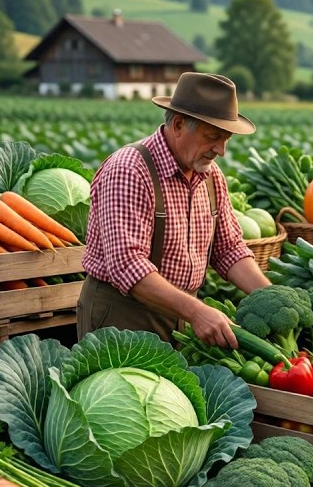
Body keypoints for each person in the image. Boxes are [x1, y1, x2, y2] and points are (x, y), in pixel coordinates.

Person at [78, 72, 270, 346]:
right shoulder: (129, 170)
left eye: (226, 138)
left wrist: (271, 296)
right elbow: (127, 265)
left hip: (181, 314)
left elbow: (228, 249)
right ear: (179, 124)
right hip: (123, 316)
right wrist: (197, 312)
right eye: (213, 136)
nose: (221, 150)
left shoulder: (211, 177)